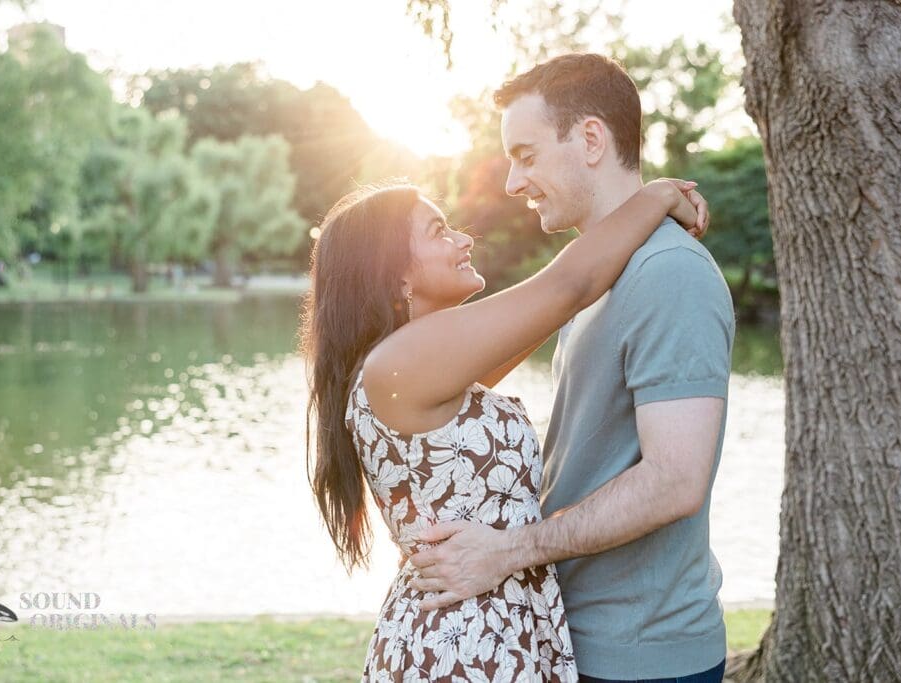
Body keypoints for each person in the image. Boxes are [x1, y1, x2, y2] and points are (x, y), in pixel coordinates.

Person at [300, 168, 708, 678]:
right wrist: (658, 195)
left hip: (485, 630)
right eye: (438, 231)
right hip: (463, 645)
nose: (463, 239)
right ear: (395, 277)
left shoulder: (416, 363)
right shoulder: (403, 363)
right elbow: (568, 287)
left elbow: (550, 310)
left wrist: (629, 239)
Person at [406, 53, 735, 683]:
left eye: (525, 154)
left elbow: (674, 480)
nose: (511, 182)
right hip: (571, 637)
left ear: (590, 140)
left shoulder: (670, 275)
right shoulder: (596, 280)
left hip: (641, 657)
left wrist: (507, 551)